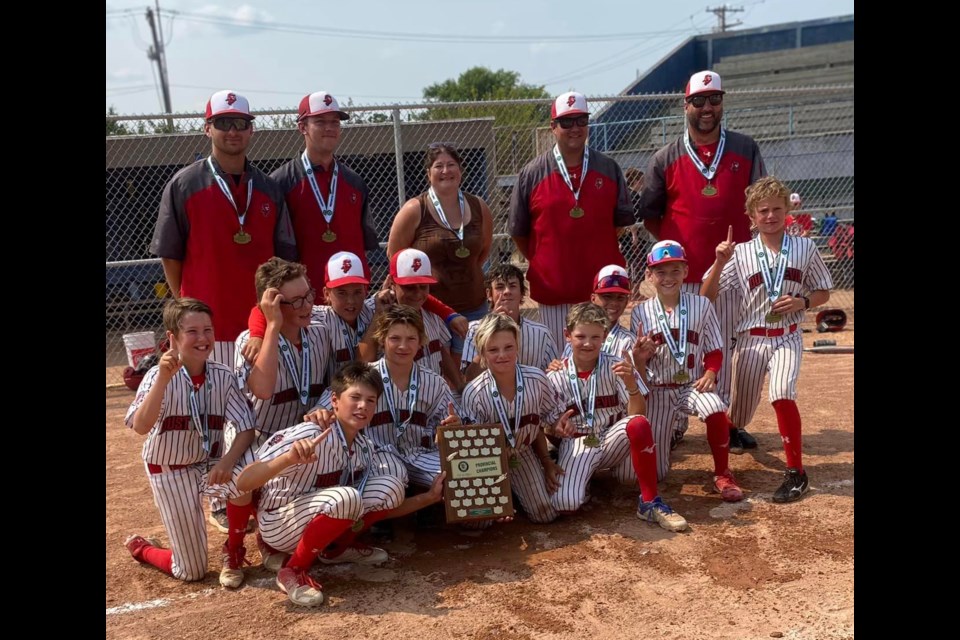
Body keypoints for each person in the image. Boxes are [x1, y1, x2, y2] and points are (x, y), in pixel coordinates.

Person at [635, 70, 766, 453]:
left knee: (720, 344)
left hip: (732, 266)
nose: (707, 108)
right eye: (699, 101)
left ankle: (722, 421)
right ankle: (672, 421)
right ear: (685, 105)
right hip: (682, 272)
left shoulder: (745, 148)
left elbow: (758, 202)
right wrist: (678, 252)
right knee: (674, 343)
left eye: (714, 99)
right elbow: (651, 214)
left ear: (722, 102)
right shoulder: (666, 156)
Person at [236, 362, 413, 607]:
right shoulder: (309, 433)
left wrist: (431, 496)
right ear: (335, 400)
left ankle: (334, 550)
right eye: (355, 397)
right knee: (347, 497)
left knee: (391, 488)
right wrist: (287, 459)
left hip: (317, 517)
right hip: (280, 523)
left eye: (370, 400)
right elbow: (244, 482)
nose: (363, 406)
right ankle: (293, 570)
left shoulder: (363, 447)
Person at [701, 177, 833, 503]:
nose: (771, 216)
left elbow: (823, 291)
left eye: (777, 209)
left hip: (787, 336)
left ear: (787, 210)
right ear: (752, 216)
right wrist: (719, 262)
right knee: (742, 413)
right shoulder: (741, 253)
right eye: (763, 211)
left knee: (782, 392)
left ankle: (796, 472)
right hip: (751, 340)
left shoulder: (805, 247)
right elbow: (707, 295)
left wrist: (803, 302)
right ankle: (733, 426)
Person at [150, 89, 297, 368]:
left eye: (240, 123)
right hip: (206, 327)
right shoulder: (184, 184)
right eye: (223, 123)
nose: (233, 131)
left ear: (251, 130)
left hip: (259, 324)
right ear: (207, 129)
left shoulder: (269, 188)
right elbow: (170, 253)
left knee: (260, 403)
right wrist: (185, 305)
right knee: (207, 405)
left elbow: (283, 259)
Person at [123, 298, 257, 588]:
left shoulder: (222, 375)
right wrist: (161, 380)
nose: (202, 338)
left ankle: (233, 551)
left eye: (207, 330)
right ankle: (143, 548)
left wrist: (228, 461)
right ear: (173, 337)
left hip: (209, 463)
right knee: (191, 571)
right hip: (169, 468)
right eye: (192, 331)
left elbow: (246, 428)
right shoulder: (157, 376)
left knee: (248, 472)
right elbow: (141, 426)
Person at [509, 91, 635, 349]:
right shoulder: (532, 173)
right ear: (553, 127)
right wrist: (545, 259)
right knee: (557, 363)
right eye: (567, 122)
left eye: (581, 120)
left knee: (603, 361)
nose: (575, 128)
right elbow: (519, 232)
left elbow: (619, 224)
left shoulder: (608, 168)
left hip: (601, 291)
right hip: (554, 291)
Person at [546, 303, 687, 531]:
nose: (588, 343)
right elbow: (548, 427)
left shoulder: (617, 366)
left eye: (595, 337)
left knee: (639, 425)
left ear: (603, 337)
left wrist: (631, 385)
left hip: (612, 439)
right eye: (581, 336)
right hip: (579, 443)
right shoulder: (555, 376)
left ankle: (650, 502)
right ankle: (585, 480)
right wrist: (556, 427)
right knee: (565, 504)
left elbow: (637, 415)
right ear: (567, 336)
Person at [631, 241, 743, 501]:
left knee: (715, 407)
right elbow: (637, 362)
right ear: (649, 275)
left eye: (674, 270)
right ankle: (670, 437)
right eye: (660, 271)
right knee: (657, 474)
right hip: (657, 391)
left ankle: (723, 473)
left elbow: (715, 348)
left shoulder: (701, 305)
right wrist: (641, 354)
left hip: (690, 385)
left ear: (685, 271)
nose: (668, 278)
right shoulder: (640, 313)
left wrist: (711, 373)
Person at [387, 143, 494, 369]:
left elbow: (483, 250)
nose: (446, 171)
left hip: (475, 304)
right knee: (442, 370)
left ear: (461, 170)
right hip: (431, 308)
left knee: (476, 369)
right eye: (439, 166)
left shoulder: (478, 206)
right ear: (429, 173)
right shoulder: (415, 209)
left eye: (451, 165)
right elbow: (396, 258)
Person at [459, 314, 565, 524]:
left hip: (522, 452)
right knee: (478, 521)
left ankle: (521, 491)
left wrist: (547, 459)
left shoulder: (536, 379)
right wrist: (496, 490)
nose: (502, 355)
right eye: (493, 350)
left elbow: (547, 420)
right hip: (487, 462)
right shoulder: (474, 392)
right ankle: (509, 495)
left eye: (508, 347)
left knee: (545, 514)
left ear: (518, 346)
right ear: (481, 353)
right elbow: (472, 452)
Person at [270, 91, 379, 286]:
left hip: (351, 295)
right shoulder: (281, 182)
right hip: (304, 299)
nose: (329, 128)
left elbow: (364, 244)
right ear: (302, 127)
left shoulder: (355, 182)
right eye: (320, 122)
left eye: (335, 122)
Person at [235, 258, 331, 446]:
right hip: (262, 439)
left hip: (310, 433)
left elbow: (337, 382)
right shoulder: (249, 342)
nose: (307, 305)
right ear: (273, 305)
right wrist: (272, 326)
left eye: (308, 295)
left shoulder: (321, 329)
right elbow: (262, 390)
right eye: (296, 301)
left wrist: (323, 406)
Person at [360, 248, 462, 388]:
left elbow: (440, 350)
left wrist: (460, 385)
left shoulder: (430, 310)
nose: (418, 294)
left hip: (432, 394)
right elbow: (361, 364)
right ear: (392, 283)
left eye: (423, 286)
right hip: (391, 398)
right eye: (410, 287)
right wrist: (379, 315)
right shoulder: (372, 310)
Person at [460, 264, 559, 381]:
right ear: (489, 294)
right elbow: (469, 378)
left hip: (531, 396)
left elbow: (553, 376)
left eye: (512, 286)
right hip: (488, 397)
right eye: (500, 287)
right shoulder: (475, 329)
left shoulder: (541, 333)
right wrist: (490, 329)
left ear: (522, 292)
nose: (507, 291)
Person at [557, 264, 637, 360]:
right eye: (607, 296)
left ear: (626, 302)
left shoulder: (628, 341)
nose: (614, 303)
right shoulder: (579, 333)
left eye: (620, 298)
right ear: (593, 298)